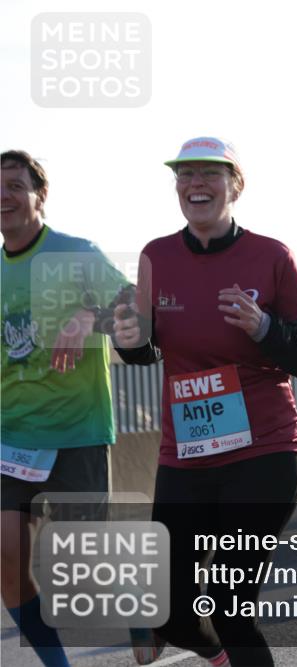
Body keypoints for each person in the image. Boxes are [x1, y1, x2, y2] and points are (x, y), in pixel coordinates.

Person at [113, 137, 297, 667]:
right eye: (185, 175)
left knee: (230, 604)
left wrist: (265, 327)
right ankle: (219, 658)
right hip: (186, 454)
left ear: (236, 186)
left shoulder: (272, 256)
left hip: (263, 451)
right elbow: (147, 349)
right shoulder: (156, 256)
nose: (196, 184)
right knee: (168, 607)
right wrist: (129, 340)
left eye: (210, 173)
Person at [1, 150, 132, 667]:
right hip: (11, 438)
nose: (4, 197)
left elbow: (137, 310)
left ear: (40, 196)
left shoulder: (77, 254)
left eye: (15, 186)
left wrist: (88, 316)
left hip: (76, 432)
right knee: (7, 559)